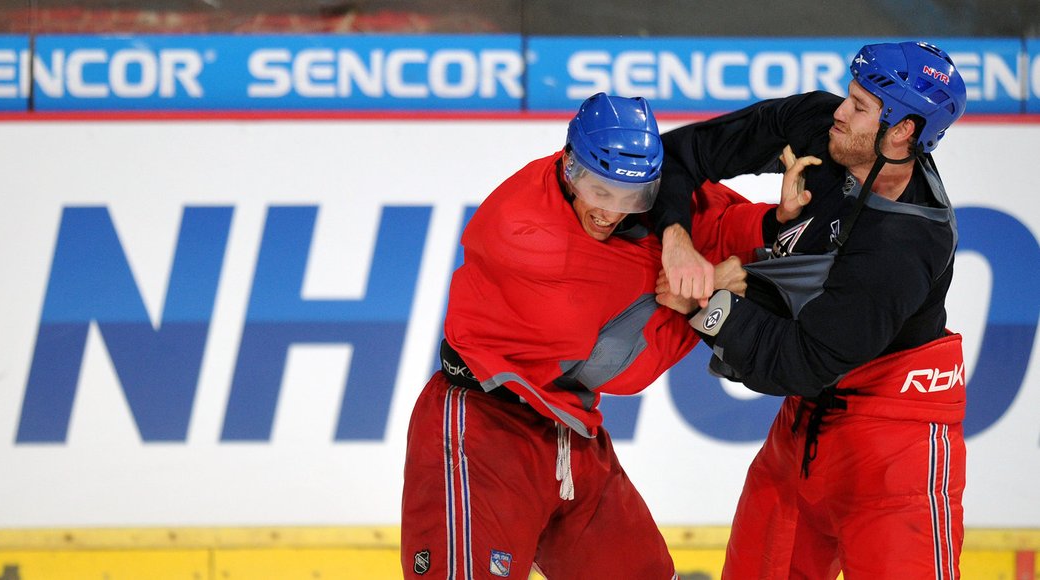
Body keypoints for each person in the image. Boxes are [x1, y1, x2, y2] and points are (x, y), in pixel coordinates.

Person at [400, 92, 793, 579]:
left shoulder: (615, 184)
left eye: (633, 198)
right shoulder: (527, 237)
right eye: (598, 190)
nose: (610, 211)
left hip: (573, 429)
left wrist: (779, 221)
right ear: (568, 164)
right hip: (485, 431)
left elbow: (710, 216)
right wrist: (709, 284)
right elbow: (628, 370)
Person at [654, 41, 969, 578]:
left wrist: (709, 304)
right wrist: (677, 239)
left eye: (860, 106)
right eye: (849, 96)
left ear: (903, 132)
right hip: (806, 425)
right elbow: (682, 153)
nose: (838, 113)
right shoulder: (827, 128)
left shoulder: (903, 246)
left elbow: (800, 362)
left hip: (897, 448)